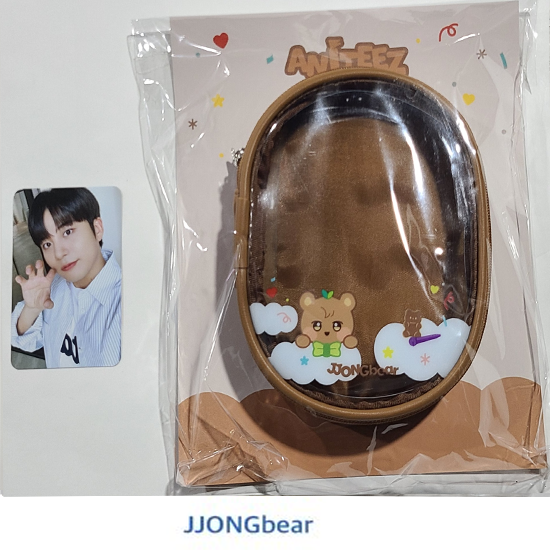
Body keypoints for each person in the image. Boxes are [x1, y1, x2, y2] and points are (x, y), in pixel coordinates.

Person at [11, 188, 121, 368]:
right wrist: (32, 309)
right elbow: (23, 340)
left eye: (68, 232)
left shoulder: (127, 304)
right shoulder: (53, 286)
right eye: (47, 244)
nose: (59, 253)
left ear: (97, 229)